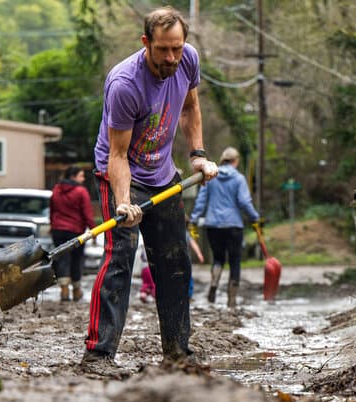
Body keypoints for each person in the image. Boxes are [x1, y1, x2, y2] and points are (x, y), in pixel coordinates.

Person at [83, 6, 218, 373]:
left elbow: (190, 107)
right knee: (120, 260)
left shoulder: (187, 60)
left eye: (177, 48)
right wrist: (124, 202)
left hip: (163, 173)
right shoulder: (124, 84)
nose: (171, 58)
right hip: (121, 172)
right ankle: (98, 354)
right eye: (163, 50)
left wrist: (198, 156)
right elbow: (117, 154)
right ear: (146, 43)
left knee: (175, 262)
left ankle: (177, 352)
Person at [189, 146, 260, 308]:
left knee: (218, 258)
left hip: (213, 224)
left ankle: (214, 283)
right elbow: (244, 202)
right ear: (236, 161)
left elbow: (201, 201)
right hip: (233, 225)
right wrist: (254, 217)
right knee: (234, 261)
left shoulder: (210, 176)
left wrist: (194, 219)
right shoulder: (239, 179)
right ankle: (231, 300)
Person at [49, 165, 96, 302]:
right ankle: (76, 290)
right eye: (81, 176)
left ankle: (64, 290)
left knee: (62, 258)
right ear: (73, 176)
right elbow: (87, 213)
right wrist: (93, 230)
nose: (83, 178)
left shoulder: (56, 190)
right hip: (75, 231)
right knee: (76, 259)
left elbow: (52, 210)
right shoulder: (81, 191)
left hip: (58, 230)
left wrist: (52, 226)